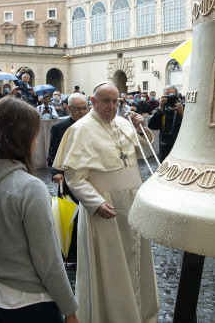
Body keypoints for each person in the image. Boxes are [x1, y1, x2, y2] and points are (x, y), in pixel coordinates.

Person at [53, 82, 159, 323]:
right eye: (106, 101)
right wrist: (96, 203)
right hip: (106, 208)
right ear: (93, 101)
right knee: (111, 269)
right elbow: (75, 177)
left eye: (115, 102)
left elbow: (143, 147)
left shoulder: (123, 123)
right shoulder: (80, 130)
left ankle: (141, 315)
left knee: (137, 261)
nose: (112, 107)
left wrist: (140, 128)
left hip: (132, 203)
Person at [0, 97, 79, 323]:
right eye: (35, 135)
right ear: (23, 137)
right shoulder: (29, 187)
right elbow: (48, 260)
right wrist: (70, 310)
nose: (36, 142)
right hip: (27, 301)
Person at [47, 93, 89, 264]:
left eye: (84, 108)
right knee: (72, 218)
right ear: (69, 108)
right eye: (77, 109)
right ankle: (71, 256)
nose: (82, 112)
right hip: (68, 180)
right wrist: (55, 172)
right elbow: (53, 155)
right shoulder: (60, 127)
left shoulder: (94, 125)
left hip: (90, 178)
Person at [147, 85, 184, 162]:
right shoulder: (162, 109)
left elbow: (191, 127)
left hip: (180, 147)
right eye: (166, 96)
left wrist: (182, 113)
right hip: (165, 148)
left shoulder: (183, 107)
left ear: (177, 96)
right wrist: (160, 108)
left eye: (171, 95)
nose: (169, 98)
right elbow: (152, 125)